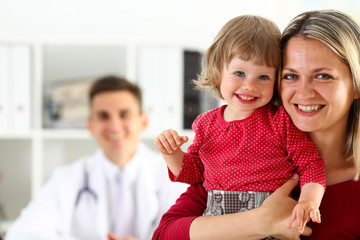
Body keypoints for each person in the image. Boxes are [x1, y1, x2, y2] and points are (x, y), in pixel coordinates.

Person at [152, 9, 360, 240]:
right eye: (290, 76)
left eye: (323, 76)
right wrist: (260, 222)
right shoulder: (234, 161)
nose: (304, 92)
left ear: (357, 86)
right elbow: (164, 235)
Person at [5, 75, 186, 240]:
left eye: (124, 115)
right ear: (90, 125)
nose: (115, 126)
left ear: (143, 122)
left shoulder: (174, 175)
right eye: (103, 116)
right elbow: (20, 234)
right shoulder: (67, 179)